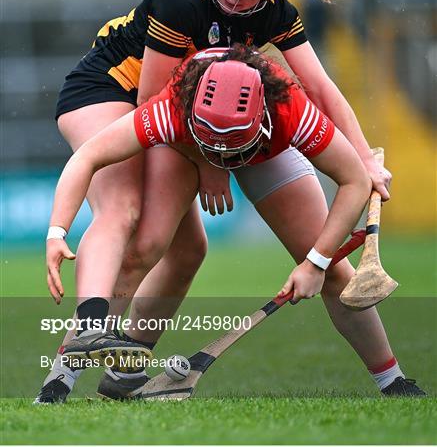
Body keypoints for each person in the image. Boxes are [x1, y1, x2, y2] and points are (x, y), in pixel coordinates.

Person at [35, 0, 396, 402]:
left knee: (198, 251)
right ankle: (64, 372)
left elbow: (321, 87)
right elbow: (151, 101)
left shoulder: (281, 71)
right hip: (125, 93)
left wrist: (364, 163)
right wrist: (210, 166)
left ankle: (394, 381)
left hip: (212, 113)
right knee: (135, 224)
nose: (235, 1)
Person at [38, 46, 425, 405]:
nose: (223, 157)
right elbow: (87, 157)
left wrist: (316, 262)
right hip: (186, 147)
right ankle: (61, 379)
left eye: (231, 149)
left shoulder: (290, 109)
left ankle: (393, 380)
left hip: (264, 151)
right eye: (215, 148)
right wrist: (58, 232)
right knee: (142, 251)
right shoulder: (169, 109)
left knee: (337, 275)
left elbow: (354, 181)